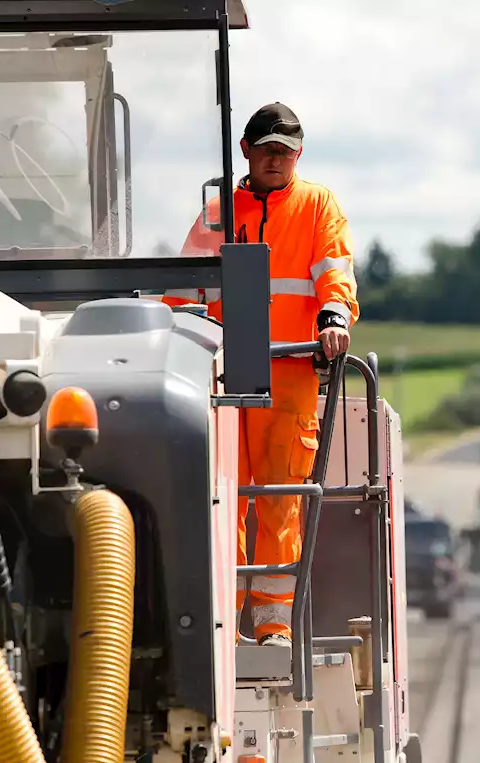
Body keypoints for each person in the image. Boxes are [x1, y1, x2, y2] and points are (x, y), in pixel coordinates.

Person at [162, 103, 358, 648]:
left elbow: (334, 270)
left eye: (285, 150)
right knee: (227, 495)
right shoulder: (218, 211)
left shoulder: (318, 204)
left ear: (298, 155)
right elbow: (185, 292)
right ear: (246, 150)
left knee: (280, 496)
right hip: (226, 377)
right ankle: (227, 623)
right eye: (266, 148)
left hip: (292, 372)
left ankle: (272, 624)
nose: (275, 159)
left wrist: (334, 317)